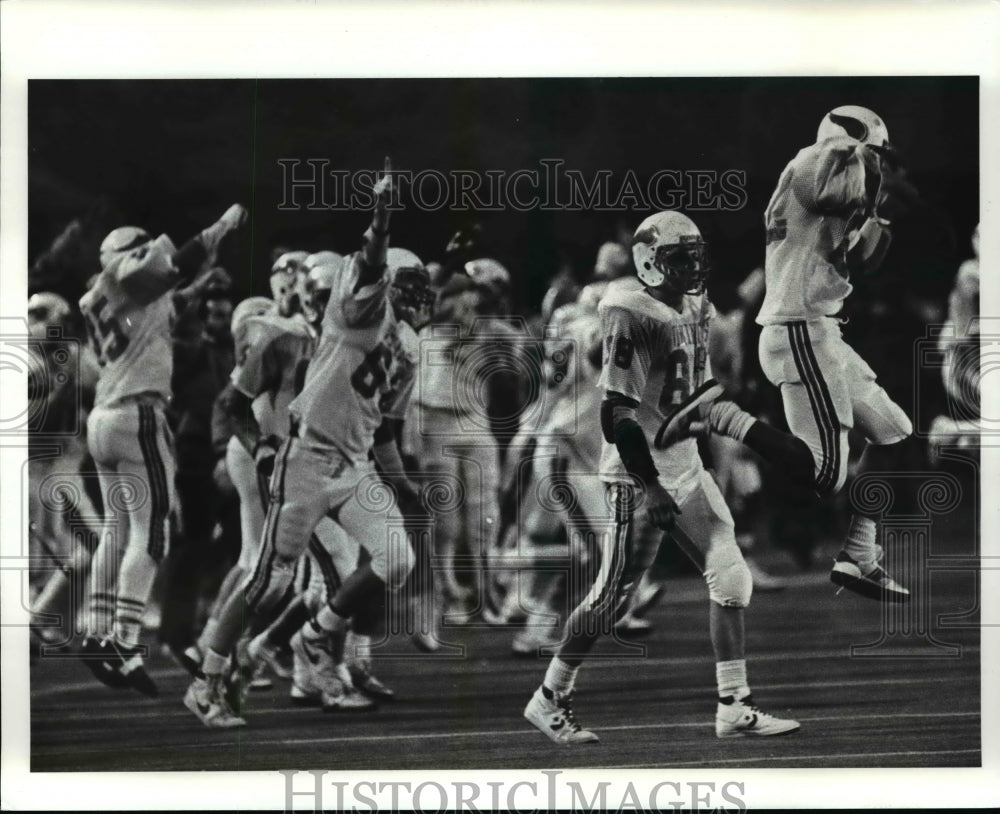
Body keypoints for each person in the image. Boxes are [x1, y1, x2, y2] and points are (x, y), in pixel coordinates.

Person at [524, 210, 800, 744]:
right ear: (650, 261)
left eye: (697, 256)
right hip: (637, 476)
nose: (693, 267)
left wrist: (762, 437)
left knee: (731, 576)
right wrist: (649, 485)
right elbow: (616, 414)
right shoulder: (629, 310)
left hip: (686, 466)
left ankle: (734, 705)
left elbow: (699, 395)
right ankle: (548, 696)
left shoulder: (696, 306)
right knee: (612, 597)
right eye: (680, 258)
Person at [184, 158, 429, 727]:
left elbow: (385, 432)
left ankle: (318, 638)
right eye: (411, 286)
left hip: (354, 464)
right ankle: (209, 680)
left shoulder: (410, 349)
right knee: (268, 580)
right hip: (305, 460)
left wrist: (405, 487)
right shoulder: (359, 312)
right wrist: (383, 214)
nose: (420, 297)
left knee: (395, 557)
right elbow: (370, 262)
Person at [77, 203, 247, 695]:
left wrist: (199, 276)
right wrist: (222, 225)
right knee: (151, 536)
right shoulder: (127, 278)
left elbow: (162, 306)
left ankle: (96, 625)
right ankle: (126, 641)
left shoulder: (102, 297)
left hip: (105, 416)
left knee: (117, 527)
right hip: (137, 415)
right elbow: (174, 261)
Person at [756, 105, 919, 602]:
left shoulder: (840, 177)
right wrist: (869, 169)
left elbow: (860, 263)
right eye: (876, 154)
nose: (879, 165)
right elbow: (826, 186)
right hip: (798, 328)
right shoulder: (813, 159)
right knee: (826, 473)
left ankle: (858, 555)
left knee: (893, 432)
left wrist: (882, 212)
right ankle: (726, 420)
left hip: (820, 329)